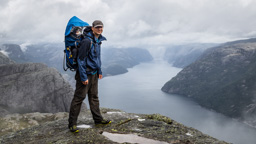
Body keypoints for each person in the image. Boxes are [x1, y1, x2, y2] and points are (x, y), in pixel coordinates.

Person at [68, 20, 111, 133]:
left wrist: (99, 70)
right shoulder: (87, 41)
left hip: (94, 73)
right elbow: (81, 60)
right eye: (97, 27)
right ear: (92, 28)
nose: (99, 29)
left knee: (94, 97)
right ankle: (72, 124)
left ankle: (98, 120)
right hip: (85, 74)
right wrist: (83, 77)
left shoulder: (97, 40)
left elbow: (97, 58)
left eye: (101, 27)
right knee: (79, 99)